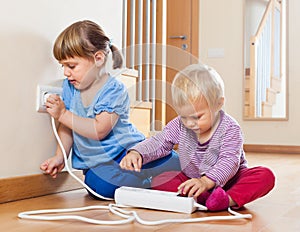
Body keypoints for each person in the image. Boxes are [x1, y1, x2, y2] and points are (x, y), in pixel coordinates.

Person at [40, 20, 180, 199]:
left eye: (72, 66)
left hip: (129, 151)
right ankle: (146, 184)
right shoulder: (70, 87)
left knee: (174, 163)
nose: (66, 73)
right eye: (63, 66)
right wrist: (60, 156)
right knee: (99, 188)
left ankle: (178, 174)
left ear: (98, 59)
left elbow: (100, 130)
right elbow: (67, 126)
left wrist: (63, 114)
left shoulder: (113, 90)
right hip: (100, 164)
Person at [120, 63, 275, 211]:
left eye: (197, 117)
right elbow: (160, 141)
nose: (190, 123)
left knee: (265, 176)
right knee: (160, 180)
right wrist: (137, 152)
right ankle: (203, 197)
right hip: (192, 180)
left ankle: (226, 200)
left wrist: (206, 181)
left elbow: (230, 161)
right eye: (184, 117)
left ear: (218, 104)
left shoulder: (230, 128)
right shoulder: (180, 125)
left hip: (231, 181)